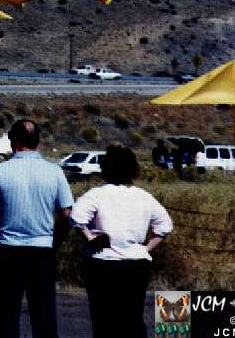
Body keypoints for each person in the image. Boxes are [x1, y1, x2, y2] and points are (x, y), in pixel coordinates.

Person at [0, 119, 73, 338]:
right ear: (37, 141)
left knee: (7, 315)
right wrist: (54, 243)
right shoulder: (55, 172)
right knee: (44, 315)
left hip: (8, 249)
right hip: (42, 248)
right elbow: (67, 215)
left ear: (16, 141)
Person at [70, 145, 173, 338]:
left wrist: (90, 238)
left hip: (102, 264)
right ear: (133, 169)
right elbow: (165, 225)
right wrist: (146, 249)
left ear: (106, 168)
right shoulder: (144, 197)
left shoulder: (96, 195)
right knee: (133, 320)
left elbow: (76, 217)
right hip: (135, 266)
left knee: (104, 322)